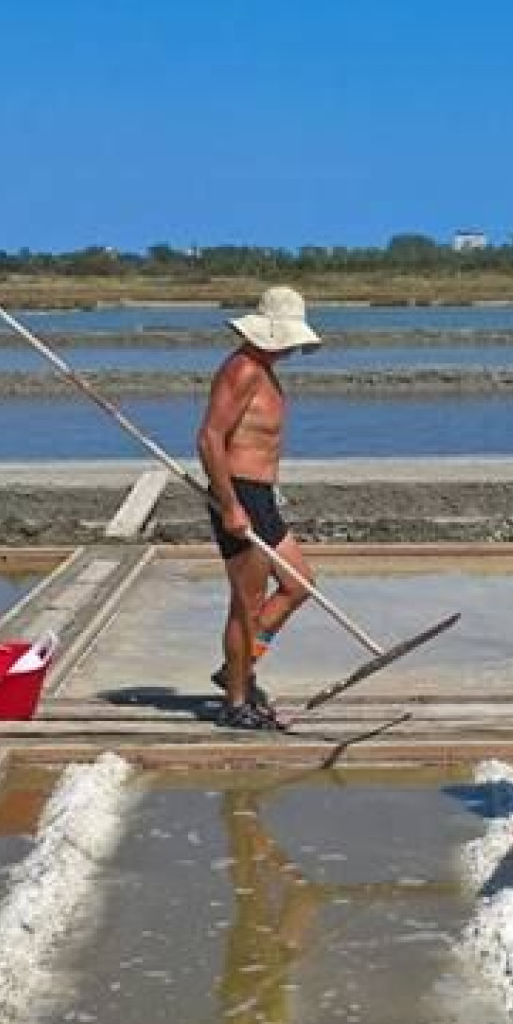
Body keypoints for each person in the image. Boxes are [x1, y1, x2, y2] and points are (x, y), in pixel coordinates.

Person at [198, 286, 325, 731]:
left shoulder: (264, 370)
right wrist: (230, 505)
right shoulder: (243, 370)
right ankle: (237, 702)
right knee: (246, 604)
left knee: (298, 584)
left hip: (262, 495)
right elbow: (210, 437)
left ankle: (240, 664)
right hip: (240, 494)